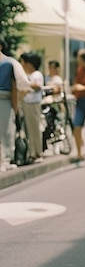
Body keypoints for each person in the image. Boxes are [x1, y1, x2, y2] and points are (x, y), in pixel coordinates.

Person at [0, 38, 31, 171]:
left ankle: (5, 159)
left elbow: (21, 85)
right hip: (5, 99)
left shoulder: (10, 63)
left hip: (5, 99)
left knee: (6, 131)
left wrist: (16, 105)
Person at [19, 52, 45, 163]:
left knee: (34, 128)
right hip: (27, 104)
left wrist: (26, 84)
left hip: (32, 104)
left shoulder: (36, 75)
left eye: (23, 62)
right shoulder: (29, 75)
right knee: (29, 128)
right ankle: (33, 152)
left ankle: (37, 153)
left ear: (30, 64)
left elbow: (37, 86)